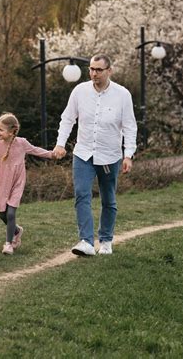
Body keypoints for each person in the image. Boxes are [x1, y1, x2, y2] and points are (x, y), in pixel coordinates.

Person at [53, 54, 137, 257]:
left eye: (98, 70)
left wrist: (128, 155)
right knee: (82, 194)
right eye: (91, 69)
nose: (94, 73)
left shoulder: (122, 94)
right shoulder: (79, 91)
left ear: (109, 71)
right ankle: (86, 242)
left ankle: (106, 240)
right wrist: (60, 144)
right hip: (83, 154)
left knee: (108, 199)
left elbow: (129, 126)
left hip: (110, 156)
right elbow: (67, 119)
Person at [0, 112, 54, 255]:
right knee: (2, 215)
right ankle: (17, 231)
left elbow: (36, 150)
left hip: (17, 182)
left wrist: (51, 154)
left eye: (0, 129)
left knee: (11, 213)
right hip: (2, 183)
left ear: (11, 131)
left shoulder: (22, 143)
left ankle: (8, 243)